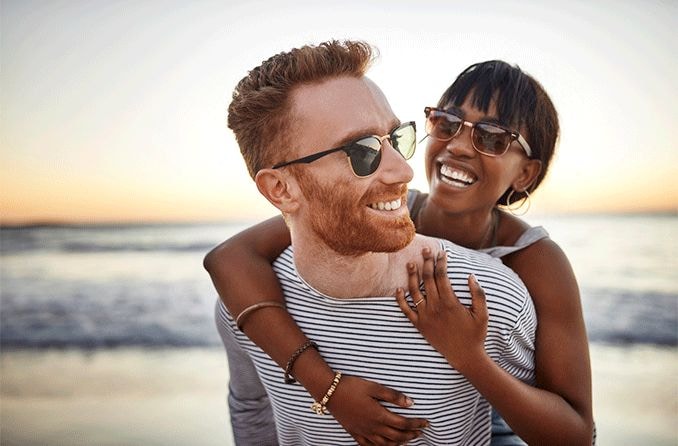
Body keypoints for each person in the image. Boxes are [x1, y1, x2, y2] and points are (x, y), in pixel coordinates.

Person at [207, 50, 596, 445]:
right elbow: (229, 259)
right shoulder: (385, 210)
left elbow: (576, 433)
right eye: (447, 124)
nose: (459, 146)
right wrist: (326, 385)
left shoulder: (534, 263)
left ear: (526, 173)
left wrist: (467, 357)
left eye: (492, 138)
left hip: (504, 422)